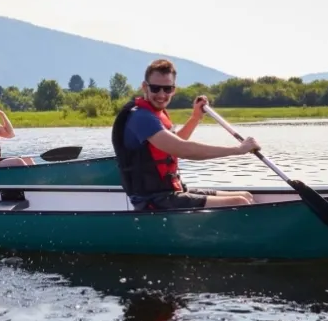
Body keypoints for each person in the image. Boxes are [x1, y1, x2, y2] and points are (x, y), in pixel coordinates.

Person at [111, 58, 260, 211]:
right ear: (144, 87)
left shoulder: (157, 114)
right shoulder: (141, 117)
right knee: (239, 201)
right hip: (153, 200)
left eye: (167, 89)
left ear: (173, 89)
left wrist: (195, 117)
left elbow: (174, 142)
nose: (162, 94)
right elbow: (181, 148)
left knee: (246, 195)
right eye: (155, 88)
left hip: (170, 193)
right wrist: (237, 150)